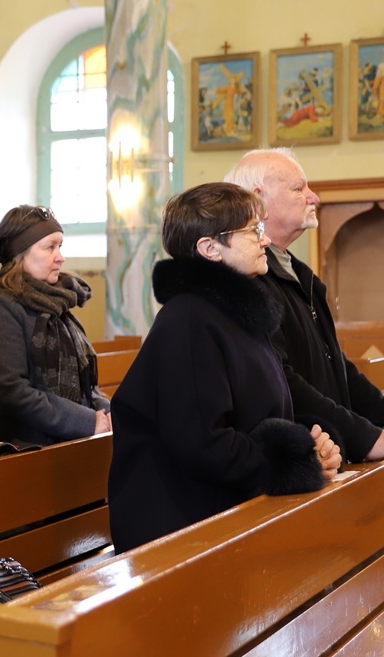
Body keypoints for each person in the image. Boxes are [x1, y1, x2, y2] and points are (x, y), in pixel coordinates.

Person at [107, 183, 339, 554]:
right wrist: (295, 464)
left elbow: (264, 413)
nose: (264, 241)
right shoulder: (190, 321)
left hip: (228, 513)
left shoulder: (237, 317)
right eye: (252, 231)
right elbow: (203, 443)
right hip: (181, 532)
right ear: (210, 249)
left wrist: (309, 451)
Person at [224, 148, 384, 463]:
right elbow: (284, 383)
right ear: (259, 201)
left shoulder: (298, 274)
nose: (314, 198)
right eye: (299, 189)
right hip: (299, 456)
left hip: (329, 448)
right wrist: (368, 439)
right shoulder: (249, 282)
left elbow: (338, 370)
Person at [0, 206, 111, 446]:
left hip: (74, 440)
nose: (60, 257)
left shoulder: (56, 301)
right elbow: (13, 392)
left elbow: (83, 383)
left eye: (60, 247)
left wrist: (106, 412)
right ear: (20, 254)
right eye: (50, 247)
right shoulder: (0, 307)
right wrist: (86, 421)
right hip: (29, 447)